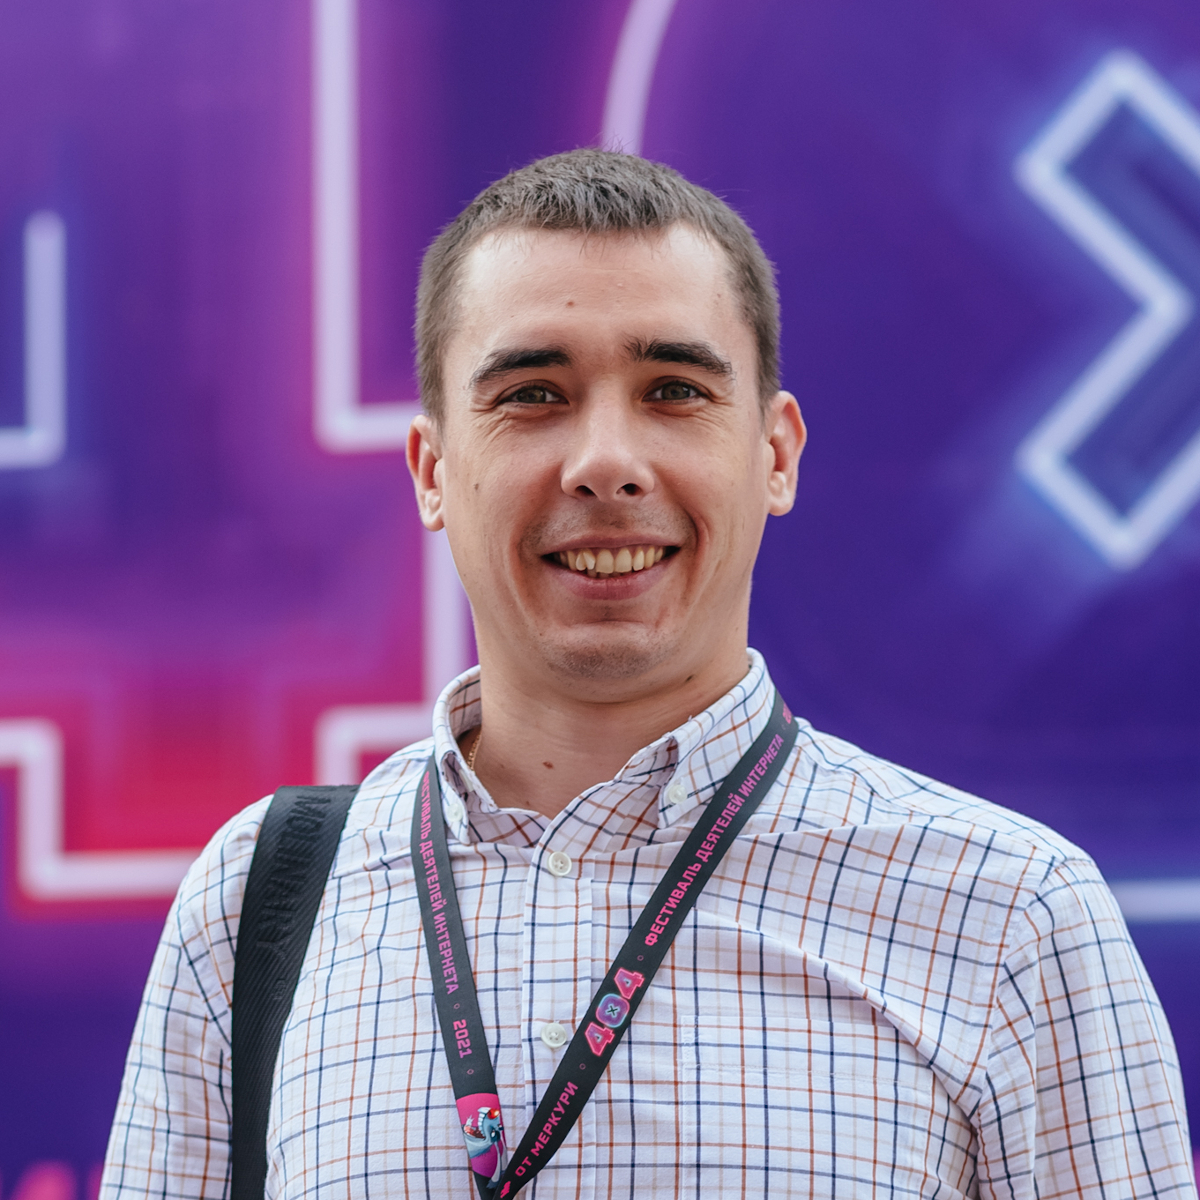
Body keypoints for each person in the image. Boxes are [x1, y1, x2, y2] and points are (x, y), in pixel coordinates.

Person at [101, 150, 1195, 1199]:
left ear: (774, 455)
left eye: (673, 389)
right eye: (533, 395)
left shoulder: (1010, 916)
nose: (607, 463)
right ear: (434, 470)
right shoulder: (256, 904)